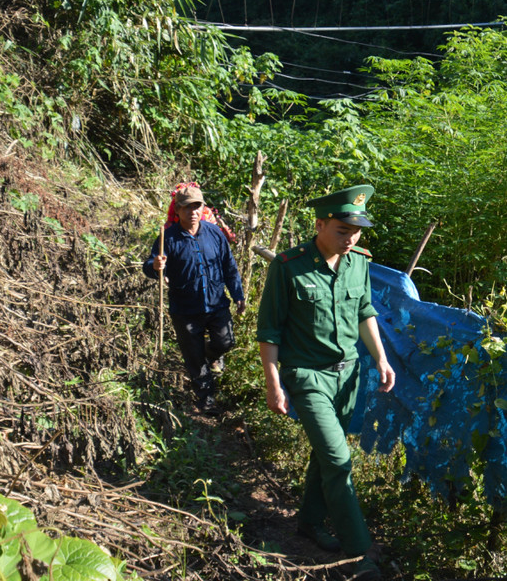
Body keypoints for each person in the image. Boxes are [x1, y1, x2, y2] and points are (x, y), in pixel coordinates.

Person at [256, 185, 396, 580]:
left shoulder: (359, 263)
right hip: (307, 375)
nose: (350, 238)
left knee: (325, 454)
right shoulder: (288, 266)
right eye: (341, 229)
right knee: (338, 459)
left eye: (356, 231)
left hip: (348, 374)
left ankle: (309, 523)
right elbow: (269, 330)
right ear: (319, 224)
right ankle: (360, 551)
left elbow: (366, 311)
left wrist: (382, 359)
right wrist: (273, 383)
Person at [143, 183, 246, 413]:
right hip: (185, 308)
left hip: (217, 303)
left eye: (197, 206)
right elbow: (150, 266)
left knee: (225, 341)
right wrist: (156, 266)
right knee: (194, 358)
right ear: (178, 210)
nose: (193, 212)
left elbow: (229, 266)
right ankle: (206, 401)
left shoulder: (214, 234)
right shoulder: (167, 238)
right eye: (187, 207)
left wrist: (238, 294)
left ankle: (211, 355)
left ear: (202, 208)